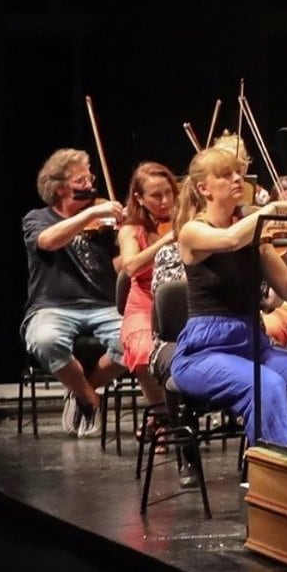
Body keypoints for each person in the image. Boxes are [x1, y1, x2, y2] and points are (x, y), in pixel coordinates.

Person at [171, 145, 287, 446]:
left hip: (254, 345)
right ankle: (281, 474)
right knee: (266, 387)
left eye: (239, 174)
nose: (236, 180)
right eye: (225, 175)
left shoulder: (255, 237)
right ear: (204, 188)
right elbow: (229, 240)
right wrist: (268, 212)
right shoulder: (193, 231)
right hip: (204, 352)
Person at [22, 148, 128, 437]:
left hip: (103, 305)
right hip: (52, 306)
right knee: (45, 341)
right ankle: (91, 399)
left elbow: (119, 264)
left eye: (90, 177)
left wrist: (129, 237)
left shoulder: (104, 224)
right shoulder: (38, 218)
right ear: (59, 188)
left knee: (134, 341)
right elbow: (48, 241)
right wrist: (92, 212)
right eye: (81, 179)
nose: (90, 185)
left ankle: (82, 391)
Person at [114, 161, 178, 408]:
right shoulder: (130, 229)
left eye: (169, 192)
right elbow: (130, 266)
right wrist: (167, 240)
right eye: (156, 195)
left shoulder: (187, 221)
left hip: (183, 304)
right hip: (144, 306)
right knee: (144, 351)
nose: (165, 201)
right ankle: (162, 417)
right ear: (139, 198)